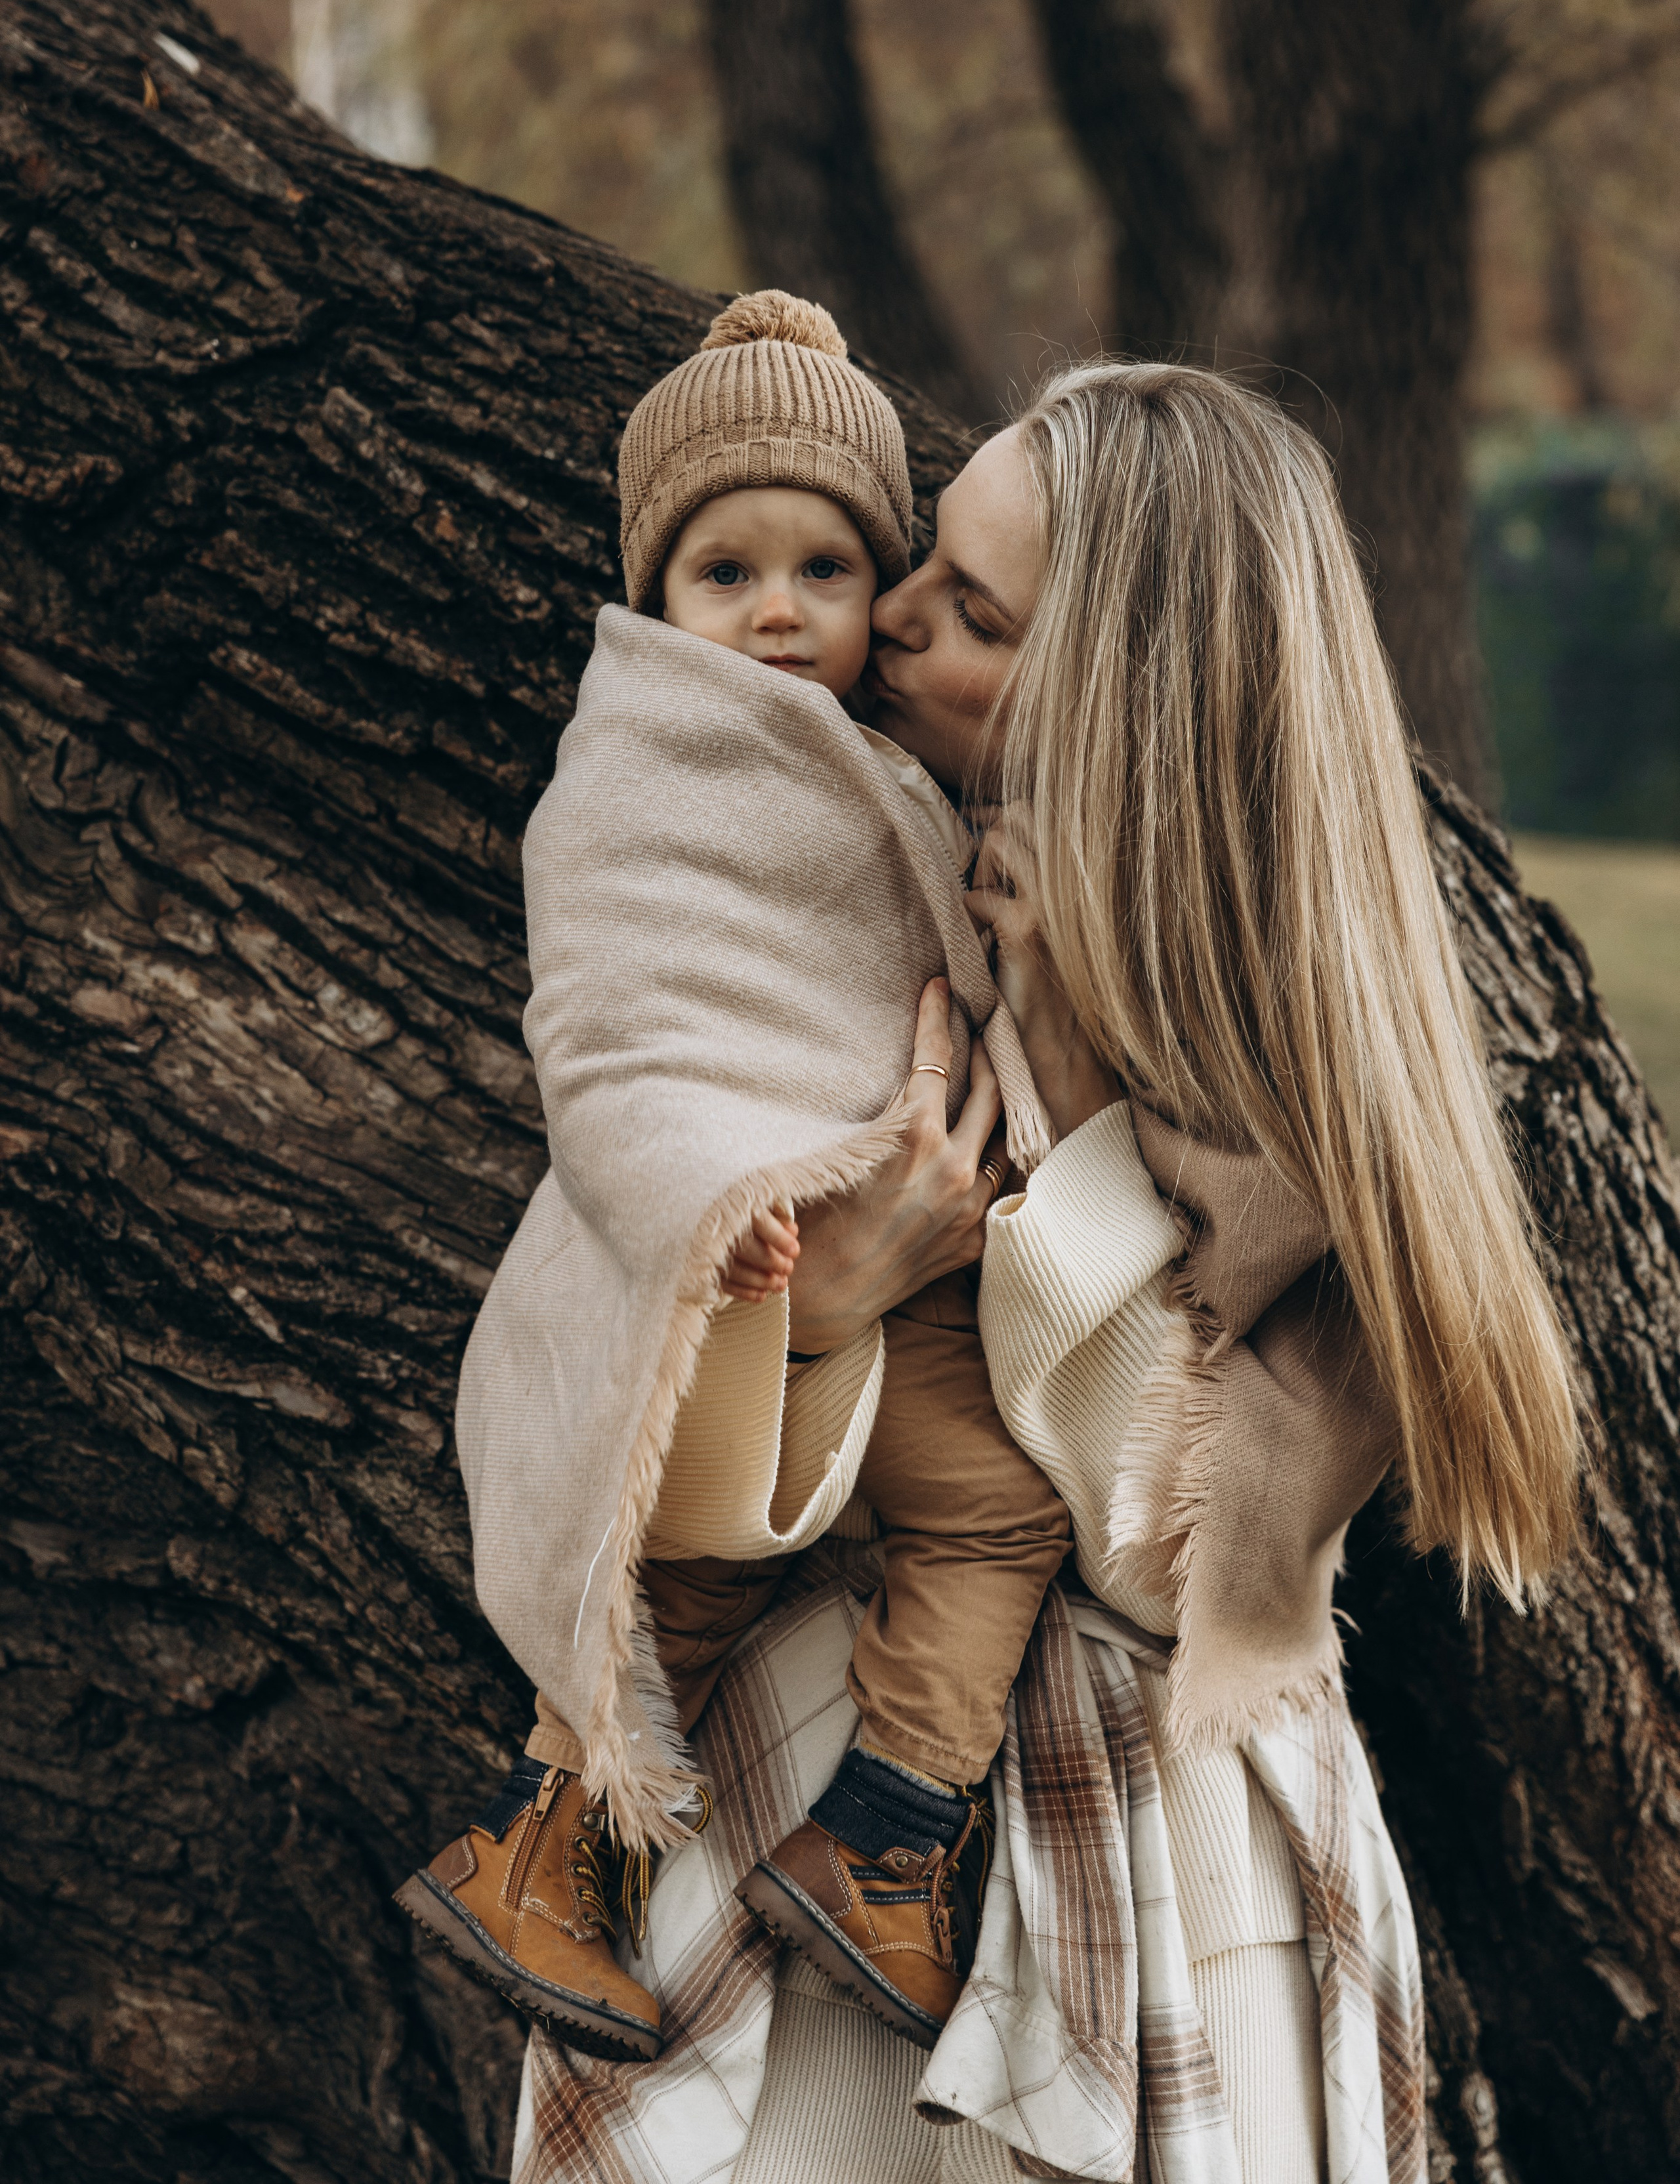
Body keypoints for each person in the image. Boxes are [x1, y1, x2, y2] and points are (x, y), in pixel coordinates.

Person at [514, 360, 1582, 2184]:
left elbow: (1169, 1558)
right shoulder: (836, 893)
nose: (887, 612)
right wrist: (830, 1295)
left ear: (1117, 715)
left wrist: (1084, 1150)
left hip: (1151, 1862)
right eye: (927, 553)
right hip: (796, 1802)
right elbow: (625, 1377)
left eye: (975, 615)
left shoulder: (1298, 1090)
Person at [396, 291, 1078, 2065]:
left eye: (826, 571)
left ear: (880, 590)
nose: (778, 612)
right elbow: (623, 1020)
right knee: (680, 1542)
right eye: (726, 572)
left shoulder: (901, 771)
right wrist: (716, 1189)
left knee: (996, 1508)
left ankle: (890, 1832)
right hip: (742, 1240)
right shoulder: (641, 770)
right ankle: (557, 1850)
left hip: (909, 1241)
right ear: (656, 596)